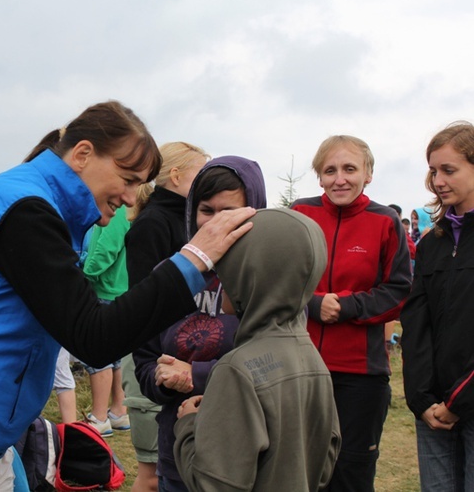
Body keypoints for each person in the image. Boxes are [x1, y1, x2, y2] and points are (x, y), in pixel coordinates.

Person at [0, 100, 256, 491]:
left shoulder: (35, 203)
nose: (133, 198)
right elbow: (93, 336)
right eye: (129, 178)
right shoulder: (24, 209)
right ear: (83, 154)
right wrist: (194, 258)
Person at [174, 208, 342, 492]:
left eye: (229, 266)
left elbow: (213, 484)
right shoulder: (312, 356)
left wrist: (189, 425)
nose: (221, 281)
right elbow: (325, 463)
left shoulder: (237, 369)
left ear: (251, 275)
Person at [134, 155, 267, 492]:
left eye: (228, 212)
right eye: (206, 210)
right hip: (178, 449)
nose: (214, 223)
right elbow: (145, 358)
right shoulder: (171, 273)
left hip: (247, 455)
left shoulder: (270, 278)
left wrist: (195, 375)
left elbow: (273, 360)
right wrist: (164, 379)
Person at [291, 135, 412, 491]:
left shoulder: (385, 221)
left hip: (361, 375)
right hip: (300, 368)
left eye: (349, 168)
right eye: (330, 170)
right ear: (319, 177)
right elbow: (279, 279)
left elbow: (399, 291)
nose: (339, 179)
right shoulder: (300, 213)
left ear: (368, 174)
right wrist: (314, 303)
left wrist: (345, 306)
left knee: (351, 474)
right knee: (298, 472)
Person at [124, 141, 208, 492]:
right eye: (201, 173)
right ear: (176, 174)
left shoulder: (189, 220)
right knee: (153, 475)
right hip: (156, 360)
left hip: (183, 358)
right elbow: (147, 300)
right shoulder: (154, 224)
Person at [400, 121, 474, 491]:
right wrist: (421, 399)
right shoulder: (432, 244)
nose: (438, 180)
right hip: (433, 409)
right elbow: (415, 326)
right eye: (433, 171)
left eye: (449, 170)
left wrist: (461, 400)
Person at [82, 204, 132, 438]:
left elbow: (107, 248)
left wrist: (86, 274)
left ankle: (100, 417)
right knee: (116, 357)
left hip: (105, 289)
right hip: (121, 290)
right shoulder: (131, 208)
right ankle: (118, 411)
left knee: (98, 354)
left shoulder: (119, 209)